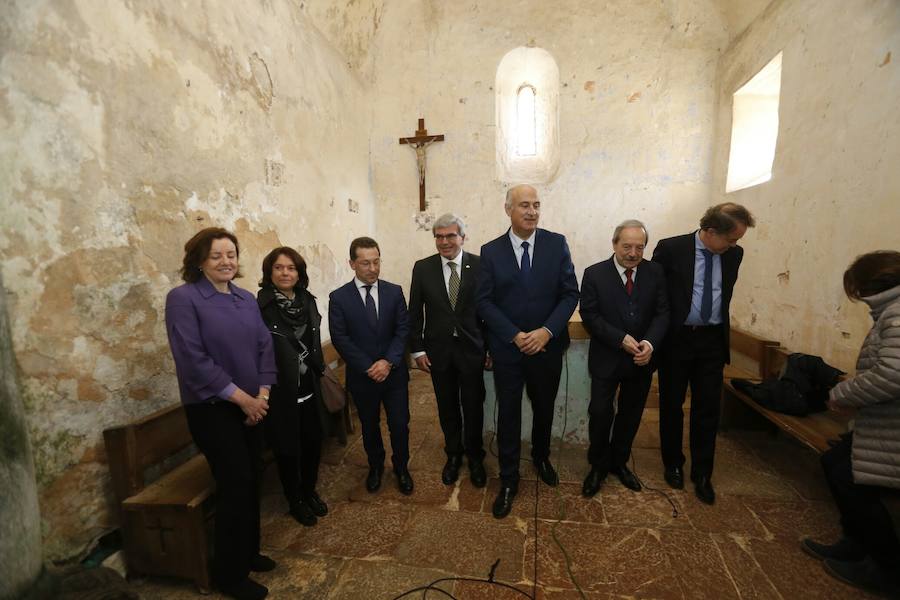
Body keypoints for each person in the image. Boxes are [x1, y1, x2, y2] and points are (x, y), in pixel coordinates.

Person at [165, 228, 277, 600]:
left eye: (231, 254)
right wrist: (244, 400)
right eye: (216, 256)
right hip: (213, 409)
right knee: (235, 482)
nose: (226, 261)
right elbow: (193, 361)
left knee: (254, 476)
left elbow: (264, 346)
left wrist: (262, 394)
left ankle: (248, 552)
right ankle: (229, 575)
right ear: (199, 261)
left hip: (253, 404)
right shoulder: (183, 299)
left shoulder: (246, 298)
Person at [477, 184, 579, 518]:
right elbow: (484, 301)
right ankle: (509, 478)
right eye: (524, 205)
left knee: (544, 406)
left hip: (547, 348)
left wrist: (546, 332)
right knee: (508, 412)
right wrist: (514, 334)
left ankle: (541, 457)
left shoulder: (556, 243)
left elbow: (570, 294)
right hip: (509, 350)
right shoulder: (490, 251)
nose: (532, 211)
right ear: (508, 209)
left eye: (536, 204)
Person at [802, 250, 900, 597]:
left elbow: (892, 374)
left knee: (847, 476)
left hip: (890, 427)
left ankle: (887, 568)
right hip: (882, 424)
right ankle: (856, 543)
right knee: (837, 464)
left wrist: (843, 394)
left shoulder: (896, 313)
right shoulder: (891, 310)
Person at [651, 202, 755, 505]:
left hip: (712, 341)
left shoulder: (734, 255)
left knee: (708, 408)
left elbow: (723, 293)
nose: (734, 245)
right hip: (678, 340)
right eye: (731, 239)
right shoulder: (671, 249)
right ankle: (673, 463)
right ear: (710, 231)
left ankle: (702, 472)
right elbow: (657, 294)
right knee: (671, 404)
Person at [579, 220, 669, 497]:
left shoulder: (655, 272)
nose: (633, 253)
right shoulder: (594, 273)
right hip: (607, 357)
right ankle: (598, 465)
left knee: (631, 414)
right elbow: (589, 314)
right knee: (600, 412)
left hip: (641, 360)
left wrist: (649, 344)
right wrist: (620, 339)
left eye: (639, 247)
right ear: (614, 243)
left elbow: (663, 313)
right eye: (627, 246)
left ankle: (619, 462)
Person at [328, 237, 413, 495]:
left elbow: (403, 329)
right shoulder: (339, 298)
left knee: (399, 424)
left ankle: (401, 467)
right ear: (352, 264)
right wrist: (368, 366)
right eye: (365, 263)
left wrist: (387, 362)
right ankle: (375, 466)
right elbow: (340, 338)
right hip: (363, 377)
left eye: (376, 262)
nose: (373, 268)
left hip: (394, 374)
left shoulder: (394, 292)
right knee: (369, 424)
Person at [409, 213, 488, 487]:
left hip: (472, 349)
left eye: (450, 236)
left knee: (474, 406)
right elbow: (414, 312)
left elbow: (489, 309)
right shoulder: (423, 268)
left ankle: (475, 457)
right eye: (439, 237)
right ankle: (453, 455)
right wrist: (417, 351)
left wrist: (490, 348)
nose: (444, 242)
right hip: (438, 351)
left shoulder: (481, 265)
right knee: (447, 406)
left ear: (462, 237)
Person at [257, 247, 329, 526]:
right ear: (269, 272)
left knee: (313, 443)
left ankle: (309, 491)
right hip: (280, 390)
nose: (285, 273)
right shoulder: (261, 307)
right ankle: (295, 499)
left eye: (291, 268)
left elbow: (313, 340)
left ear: (299, 273)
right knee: (287, 448)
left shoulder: (307, 301)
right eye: (278, 268)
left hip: (310, 385)